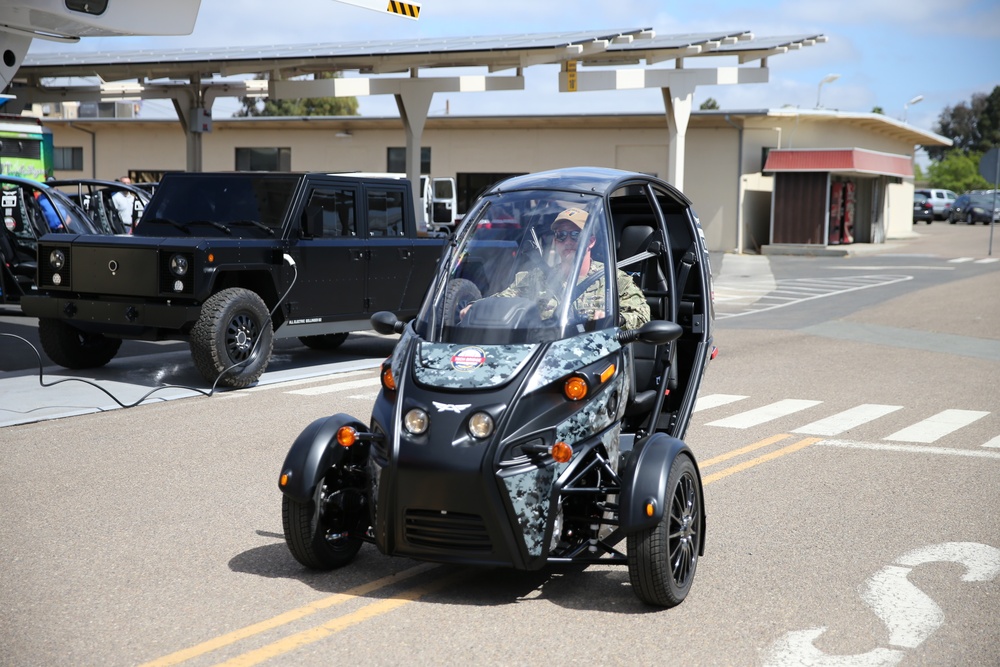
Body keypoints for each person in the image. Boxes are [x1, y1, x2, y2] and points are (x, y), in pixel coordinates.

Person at [462, 207, 650, 329]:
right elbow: (505, 299)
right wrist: (476, 307)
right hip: (543, 359)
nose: (568, 241)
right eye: (561, 235)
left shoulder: (614, 279)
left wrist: (612, 319)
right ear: (555, 241)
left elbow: (642, 316)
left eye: (576, 235)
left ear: (591, 241)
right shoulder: (538, 277)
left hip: (592, 361)